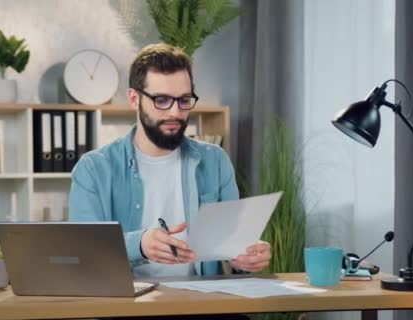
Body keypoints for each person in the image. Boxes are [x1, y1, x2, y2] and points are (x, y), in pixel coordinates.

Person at [68, 43, 271, 277]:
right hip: (126, 307)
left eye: (184, 100)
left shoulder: (215, 160)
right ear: (134, 99)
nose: (175, 112)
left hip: (201, 304)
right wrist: (140, 244)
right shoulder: (93, 168)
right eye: (162, 100)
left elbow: (233, 244)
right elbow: (83, 250)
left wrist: (247, 255)